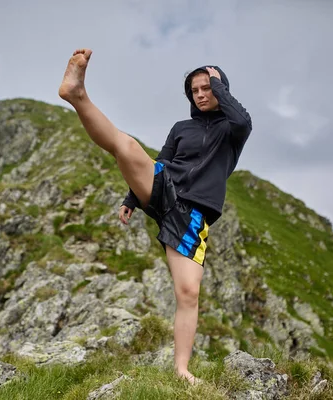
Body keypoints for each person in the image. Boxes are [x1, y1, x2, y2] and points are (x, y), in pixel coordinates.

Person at [58, 48, 252, 385]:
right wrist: (132, 198)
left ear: (221, 88)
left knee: (189, 293)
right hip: (165, 188)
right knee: (128, 148)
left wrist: (220, 86)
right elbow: (159, 160)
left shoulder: (233, 131)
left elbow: (241, 119)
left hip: (193, 216)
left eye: (207, 88)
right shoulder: (182, 127)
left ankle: (181, 370)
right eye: (195, 91)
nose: (201, 95)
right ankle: (77, 95)